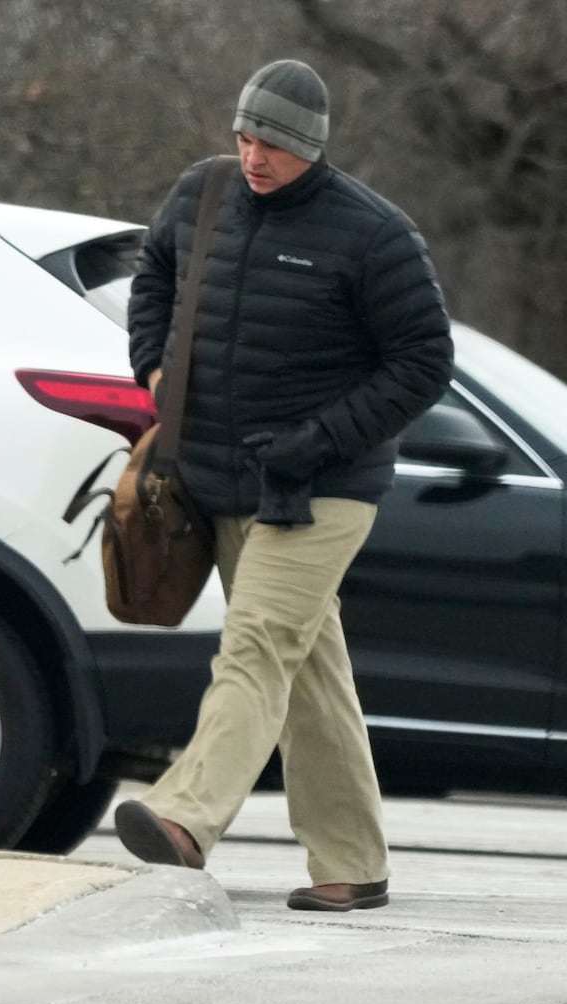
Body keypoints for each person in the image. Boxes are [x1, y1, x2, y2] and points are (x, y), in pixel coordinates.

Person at [114, 59, 455, 912]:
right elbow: (153, 273)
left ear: (311, 148)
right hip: (219, 477)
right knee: (308, 672)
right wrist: (152, 364)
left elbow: (425, 362)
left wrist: (320, 438)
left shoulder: (374, 234)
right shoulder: (203, 195)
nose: (254, 154)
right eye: (245, 135)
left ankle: (185, 816)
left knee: (258, 645)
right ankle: (352, 861)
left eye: (272, 142)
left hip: (323, 487)